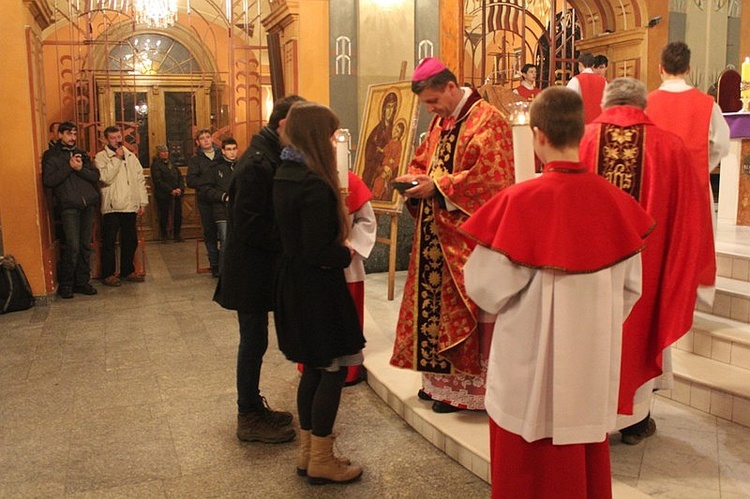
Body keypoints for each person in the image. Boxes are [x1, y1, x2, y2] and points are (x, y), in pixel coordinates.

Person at [462, 86, 653, 498]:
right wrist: (589, 320)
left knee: (527, 469)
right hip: (590, 364)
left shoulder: (518, 201)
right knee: (581, 465)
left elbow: (484, 288)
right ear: (581, 133)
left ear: (538, 135)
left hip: (527, 364)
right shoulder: (616, 204)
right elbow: (630, 290)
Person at [579, 78, 711, 444]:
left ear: (606, 104)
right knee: (639, 331)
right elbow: (688, 219)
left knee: (590, 339)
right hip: (648, 269)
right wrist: (677, 267)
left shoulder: (582, 141)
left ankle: (587, 420)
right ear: (643, 106)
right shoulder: (670, 147)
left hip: (590, 268)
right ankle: (636, 422)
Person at [389, 57, 515, 413]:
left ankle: (465, 392)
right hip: (433, 234)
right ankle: (437, 382)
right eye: (426, 104)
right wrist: (413, 180)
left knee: (461, 309)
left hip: (466, 239)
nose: (431, 109)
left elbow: (493, 180)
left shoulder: (489, 120)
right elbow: (422, 160)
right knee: (431, 311)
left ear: (449, 86)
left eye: (433, 101)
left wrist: (439, 186)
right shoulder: (441, 121)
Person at [273, 102, 365, 484]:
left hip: (295, 284)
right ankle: (322, 459)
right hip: (317, 289)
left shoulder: (285, 173)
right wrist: (345, 250)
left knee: (312, 367)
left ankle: (308, 452)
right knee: (332, 368)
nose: (333, 143)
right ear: (316, 136)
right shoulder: (313, 184)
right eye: (330, 136)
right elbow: (318, 249)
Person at [213, 96, 304, 444]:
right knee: (252, 341)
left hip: (257, 266)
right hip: (249, 269)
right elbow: (251, 226)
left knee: (256, 339)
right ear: (283, 125)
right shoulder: (255, 163)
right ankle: (247, 415)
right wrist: (290, 238)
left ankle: (252, 406)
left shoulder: (267, 153)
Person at [646, 41, 730, 295]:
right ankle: (688, 293)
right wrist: (702, 165)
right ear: (689, 69)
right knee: (692, 241)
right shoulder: (707, 104)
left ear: (660, 68)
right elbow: (721, 144)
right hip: (694, 185)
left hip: (655, 187)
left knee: (657, 243)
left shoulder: (646, 102)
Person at [42, 121, 100, 299]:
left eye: (75, 134)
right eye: (69, 134)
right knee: (72, 246)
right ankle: (66, 284)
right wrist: (69, 166)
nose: (72, 138)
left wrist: (80, 168)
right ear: (59, 135)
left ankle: (82, 281)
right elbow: (49, 181)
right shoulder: (51, 156)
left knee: (84, 245)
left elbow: (95, 176)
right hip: (69, 206)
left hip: (86, 204)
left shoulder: (81, 153)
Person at [95, 126, 148, 287]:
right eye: (112, 138)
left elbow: (139, 179)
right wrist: (117, 159)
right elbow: (105, 178)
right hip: (112, 206)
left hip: (130, 204)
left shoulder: (131, 156)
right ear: (106, 139)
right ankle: (108, 273)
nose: (117, 140)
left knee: (130, 240)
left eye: (118, 137)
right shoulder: (101, 157)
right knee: (110, 241)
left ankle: (127, 270)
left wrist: (142, 201)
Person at [342, 171, 377, 384]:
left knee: (349, 317)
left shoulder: (350, 181)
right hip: (315, 263)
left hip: (347, 264)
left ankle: (348, 371)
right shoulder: (304, 175)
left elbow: (367, 220)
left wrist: (351, 245)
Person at [198, 137, 238, 275]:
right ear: (223, 151)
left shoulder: (241, 166)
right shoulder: (215, 168)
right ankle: (223, 272)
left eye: (234, 149)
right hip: (222, 211)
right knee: (225, 241)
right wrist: (223, 196)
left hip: (238, 210)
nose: (232, 152)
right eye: (229, 149)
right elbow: (206, 188)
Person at [187, 129, 222, 277]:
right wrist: (206, 182)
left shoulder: (221, 155)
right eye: (202, 138)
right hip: (206, 201)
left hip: (221, 200)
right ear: (198, 142)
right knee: (210, 233)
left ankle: (226, 263)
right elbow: (191, 180)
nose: (206, 140)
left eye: (208, 137)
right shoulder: (196, 160)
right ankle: (214, 264)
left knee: (225, 232)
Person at [362, 91, 398, 189]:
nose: (390, 111)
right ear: (383, 109)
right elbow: (369, 162)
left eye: (393, 107)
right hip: (375, 178)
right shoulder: (375, 135)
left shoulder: (395, 131)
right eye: (388, 107)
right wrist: (381, 169)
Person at [149, 144, 185, 243]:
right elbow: (158, 180)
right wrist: (170, 190)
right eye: (163, 152)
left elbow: (179, 176)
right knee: (164, 215)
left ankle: (177, 234)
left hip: (176, 193)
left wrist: (180, 188)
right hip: (163, 194)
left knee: (177, 214)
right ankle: (164, 235)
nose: (165, 153)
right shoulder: (156, 165)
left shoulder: (172, 163)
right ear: (159, 153)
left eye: (166, 152)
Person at [566, 52, 607, 123]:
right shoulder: (603, 81)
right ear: (593, 65)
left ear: (580, 65)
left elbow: (567, 102)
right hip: (599, 123)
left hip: (582, 123)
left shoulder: (576, 80)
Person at [372, 120, 405, 200]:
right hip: (385, 163)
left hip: (390, 166)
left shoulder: (399, 145)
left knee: (381, 179)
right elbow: (386, 150)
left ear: (400, 135)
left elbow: (398, 158)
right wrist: (381, 150)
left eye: (397, 131)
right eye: (395, 130)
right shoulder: (391, 141)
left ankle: (378, 194)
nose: (395, 132)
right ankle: (376, 194)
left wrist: (392, 163)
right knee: (378, 179)